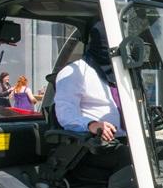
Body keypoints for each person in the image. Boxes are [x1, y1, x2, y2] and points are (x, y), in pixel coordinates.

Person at [55, 21, 129, 171]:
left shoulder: (121, 73)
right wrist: (92, 125)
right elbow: (66, 114)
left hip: (128, 140)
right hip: (92, 146)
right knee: (133, 159)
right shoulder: (74, 72)